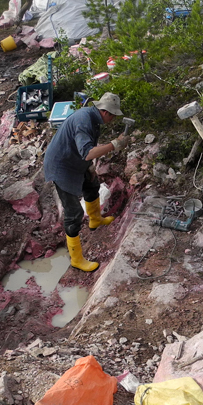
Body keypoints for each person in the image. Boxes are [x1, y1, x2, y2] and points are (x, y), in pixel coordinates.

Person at [43, 92, 132, 272]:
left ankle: (95, 220)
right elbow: (88, 152)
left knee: (92, 186)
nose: (113, 119)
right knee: (73, 213)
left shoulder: (93, 118)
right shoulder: (84, 121)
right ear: (105, 112)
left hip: (74, 160)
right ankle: (76, 259)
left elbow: (86, 149)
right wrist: (114, 145)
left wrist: (89, 166)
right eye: (113, 116)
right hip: (61, 167)